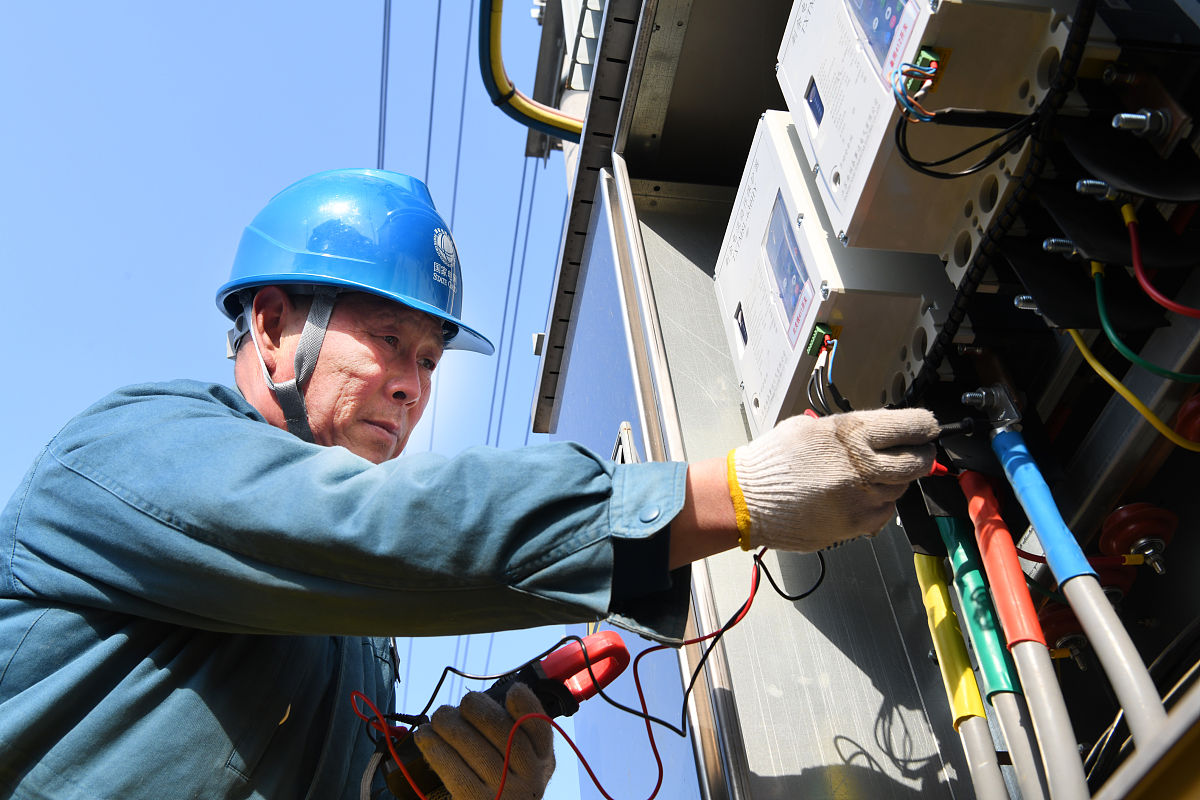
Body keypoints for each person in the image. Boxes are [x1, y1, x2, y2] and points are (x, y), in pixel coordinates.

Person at [0, 169, 938, 799]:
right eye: (387, 341)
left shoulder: (348, 636)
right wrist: (723, 495)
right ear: (275, 325)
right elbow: (374, 530)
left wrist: (418, 781)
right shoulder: (138, 450)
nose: (413, 383)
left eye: (431, 360)